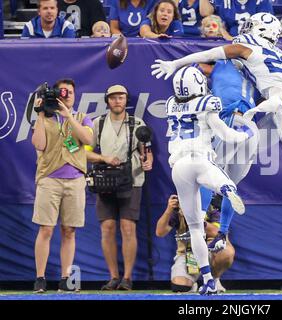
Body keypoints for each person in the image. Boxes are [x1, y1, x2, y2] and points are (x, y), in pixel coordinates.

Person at [151, 12, 282, 206]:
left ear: (260, 29)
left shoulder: (247, 44)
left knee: (230, 145)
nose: (246, 29)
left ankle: (214, 196)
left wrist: (176, 63)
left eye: (252, 25)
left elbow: (212, 53)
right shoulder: (278, 53)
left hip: (280, 102)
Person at [165, 66, 253, 294]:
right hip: (200, 159)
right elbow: (225, 134)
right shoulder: (208, 103)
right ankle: (225, 195)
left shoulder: (170, 104)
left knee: (195, 228)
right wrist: (246, 134)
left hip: (179, 167)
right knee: (228, 186)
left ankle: (207, 279)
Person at [86, 85, 153, 291]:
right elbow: (84, 152)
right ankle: (113, 276)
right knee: (107, 228)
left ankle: (128, 278)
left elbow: (147, 151)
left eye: (121, 97)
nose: (117, 101)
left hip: (131, 179)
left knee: (127, 227)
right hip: (105, 180)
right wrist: (103, 158)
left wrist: (148, 161)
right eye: (113, 97)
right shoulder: (98, 123)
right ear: (107, 101)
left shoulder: (137, 123)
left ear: (126, 100)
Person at [31, 78, 94, 293]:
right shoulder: (45, 118)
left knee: (69, 231)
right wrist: (40, 113)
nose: (66, 96)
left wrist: (68, 115)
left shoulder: (82, 118)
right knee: (46, 229)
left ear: (75, 97)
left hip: (75, 180)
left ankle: (66, 278)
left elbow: (87, 140)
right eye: (62, 92)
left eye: (70, 93)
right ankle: (40, 277)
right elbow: (39, 144)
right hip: (49, 179)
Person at [194, 60, 259, 252]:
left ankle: (198, 223)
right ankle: (222, 233)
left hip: (231, 120)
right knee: (230, 185)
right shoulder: (257, 71)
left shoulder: (222, 63)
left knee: (208, 173)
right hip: (251, 128)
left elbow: (202, 66)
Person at [156, 195, 234, 293]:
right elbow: (160, 232)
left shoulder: (213, 207)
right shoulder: (180, 208)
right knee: (180, 287)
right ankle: (192, 283)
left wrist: (197, 221)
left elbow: (217, 232)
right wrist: (169, 210)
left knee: (227, 252)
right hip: (187, 254)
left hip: (210, 251)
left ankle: (214, 279)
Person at [199, 0, 274, 36]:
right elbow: (206, 14)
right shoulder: (223, 1)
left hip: (254, 45)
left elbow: (267, 29)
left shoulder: (262, 2)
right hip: (228, 44)